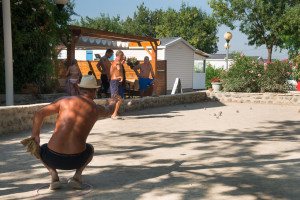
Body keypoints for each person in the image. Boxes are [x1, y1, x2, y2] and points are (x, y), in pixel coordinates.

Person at [30, 75, 119, 190]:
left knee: (40, 148)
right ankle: (77, 176)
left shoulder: (63, 101)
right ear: (95, 91)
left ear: (79, 89)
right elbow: (109, 111)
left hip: (52, 158)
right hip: (77, 160)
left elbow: (39, 113)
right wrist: (113, 102)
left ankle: (54, 175)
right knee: (90, 149)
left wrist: (35, 135)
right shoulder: (96, 109)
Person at [110, 50, 124, 119]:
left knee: (115, 98)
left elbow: (111, 72)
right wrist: (120, 77)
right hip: (115, 81)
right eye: (122, 55)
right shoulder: (117, 62)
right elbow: (118, 69)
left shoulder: (113, 62)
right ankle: (114, 114)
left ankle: (113, 114)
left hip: (114, 81)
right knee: (117, 98)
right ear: (120, 55)